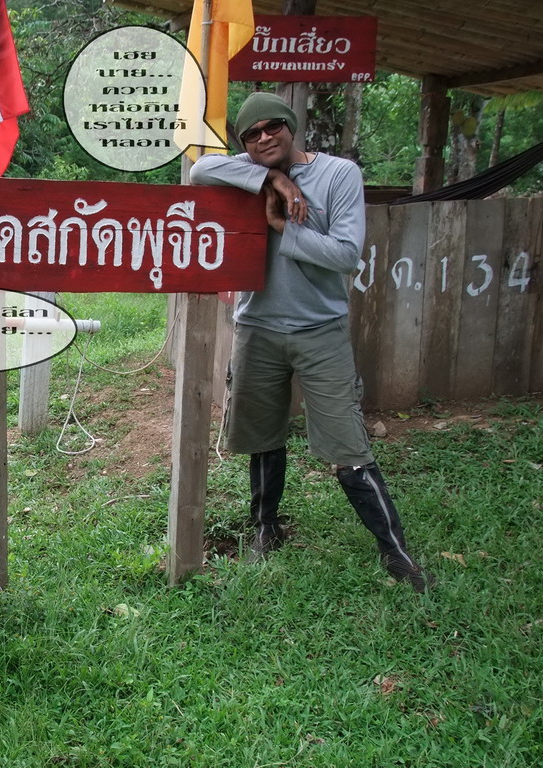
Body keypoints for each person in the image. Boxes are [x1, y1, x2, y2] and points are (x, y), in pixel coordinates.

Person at [190, 92, 433, 592]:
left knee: (348, 443)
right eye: (251, 134)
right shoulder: (247, 169)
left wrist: (282, 226)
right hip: (256, 327)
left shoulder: (338, 174)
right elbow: (199, 171)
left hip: (320, 329)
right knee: (262, 436)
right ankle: (266, 529)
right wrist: (272, 180)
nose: (263, 138)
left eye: (272, 127)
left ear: (291, 126)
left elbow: (345, 254)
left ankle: (395, 552)